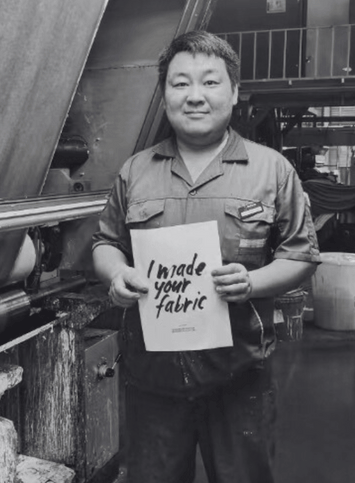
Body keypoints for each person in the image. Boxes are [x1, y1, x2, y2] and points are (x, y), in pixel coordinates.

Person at [92, 30, 319, 483]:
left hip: (238, 375)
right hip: (151, 377)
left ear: (234, 92)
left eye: (210, 82)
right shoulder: (135, 171)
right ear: (164, 94)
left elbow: (302, 254)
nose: (195, 96)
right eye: (180, 84)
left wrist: (253, 283)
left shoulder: (271, 169)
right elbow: (105, 243)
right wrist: (116, 275)